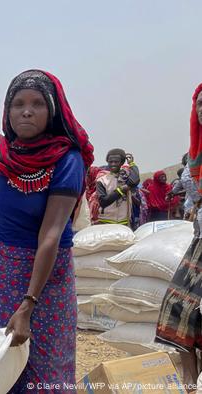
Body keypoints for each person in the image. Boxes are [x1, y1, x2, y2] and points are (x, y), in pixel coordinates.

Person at [0, 70, 93, 392]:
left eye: (37, 104)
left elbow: (51, 234)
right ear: (7, 111)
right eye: (18, 104)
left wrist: (29, 304)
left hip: (46, 284)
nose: (26, 111)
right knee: (0, 367)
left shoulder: (66, 161)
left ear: (52, 111)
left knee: (46, 371)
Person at [156, 82, 202, 388]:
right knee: (178, 309)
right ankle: (190, 380)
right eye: (199, 103)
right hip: (200, 240)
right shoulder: (196, 156)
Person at [94, 149, 140, 226]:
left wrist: (132, 164)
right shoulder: (102, 180)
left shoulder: (126, 177)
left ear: (122, 162)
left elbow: (135, 181)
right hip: (106, 221)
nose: (113, 164)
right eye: (110, 162)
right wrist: (121, 190)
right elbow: (103, 202)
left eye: (116, 162)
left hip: (124, 222)